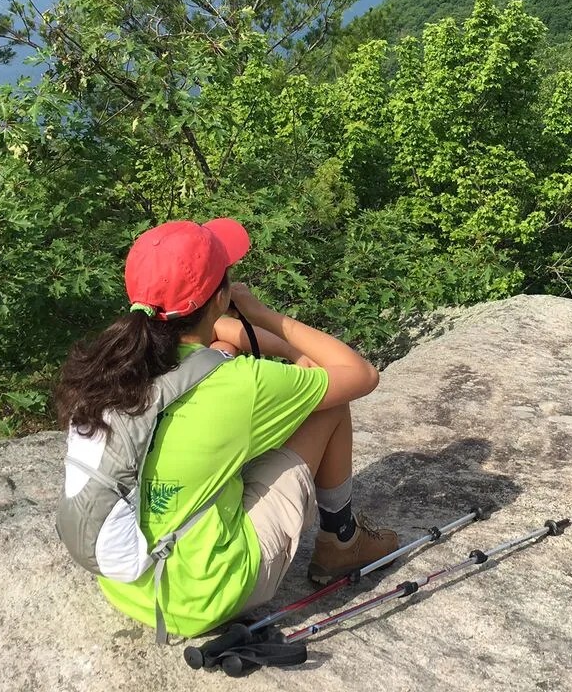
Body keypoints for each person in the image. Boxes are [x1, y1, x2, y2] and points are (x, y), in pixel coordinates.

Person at [54, 218, 399, 638]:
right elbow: (358, 374)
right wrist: (265, 316)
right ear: (221, 298)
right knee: (328, 404)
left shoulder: (116, 365)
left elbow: (215, 338)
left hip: (131, 583)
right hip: (204, 594)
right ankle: (341, 543)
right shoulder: (242, 385)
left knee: (222, 352)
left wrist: (251, 337)